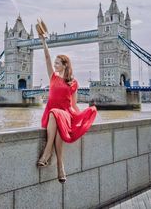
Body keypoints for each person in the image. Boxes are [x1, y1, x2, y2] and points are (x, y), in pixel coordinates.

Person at [36, 19, 97, 183]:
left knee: (57, 116)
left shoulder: (73, 82)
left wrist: (79, 117)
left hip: (65, 113)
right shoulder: (52, 76)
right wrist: (43, 41)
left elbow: (74, 104)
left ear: (64, 65)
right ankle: (60, 166)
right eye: (55, 63)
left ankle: (47, 154)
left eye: (57, 63)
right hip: (52, 114)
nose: (54, 65)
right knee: (54, 117)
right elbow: (47, 57)